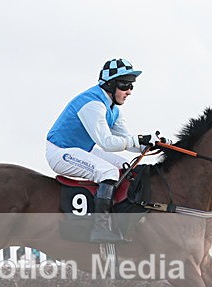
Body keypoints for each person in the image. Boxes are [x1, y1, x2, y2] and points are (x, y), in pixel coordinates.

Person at [46, 58, 156, 243]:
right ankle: (100, 228)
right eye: (124, 85)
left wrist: (153, 144)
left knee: (125, 165)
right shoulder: (93, 104)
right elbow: (108, 143)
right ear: (110, 85)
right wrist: (138, 140)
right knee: (109, 171)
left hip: (83, 149)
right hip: (60, 152)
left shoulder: (113, 109)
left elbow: (126, 142)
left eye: (131, 86)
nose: (129, 91)